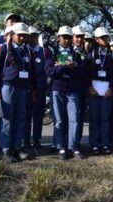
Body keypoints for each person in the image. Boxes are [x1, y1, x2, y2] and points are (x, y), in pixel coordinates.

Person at [0, 22, 35, 162]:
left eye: (24, 35)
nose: (22, 38)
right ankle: (6, 149)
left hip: (23, 88)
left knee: (21, 117)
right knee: (7, 118)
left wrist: (32, 89)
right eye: (20, 35)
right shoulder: (3, 49)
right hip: (8, 86)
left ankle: (17, 147)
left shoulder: (28, 50)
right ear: (12, 35)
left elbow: (32, 71)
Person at [45, 26, 87, 160]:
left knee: (74, 119)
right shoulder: (52, 52)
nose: (67, 40)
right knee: (59, 120)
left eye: (69, 37)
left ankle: (73, 147)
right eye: (65, 37)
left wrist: (63, 67)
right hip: (57, 89)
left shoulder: (76, 54)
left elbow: (81, 71)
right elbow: (50, 71)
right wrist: (65, 67)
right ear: (58, 38)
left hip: (73, 90)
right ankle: (61, 147)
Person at [87, 27, 113, 155]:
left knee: (105, 117)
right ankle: (94, 144)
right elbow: (85, 72)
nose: (105, 40)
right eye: (102, 38)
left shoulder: (112, 54)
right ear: (97, 39)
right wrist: (90, 87)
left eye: (107, 37)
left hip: (107, 89)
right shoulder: (90, 53)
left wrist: (111, 88)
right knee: (94, 118)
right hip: (94, 88)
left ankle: (105, 143)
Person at [23, 26, 48, 149]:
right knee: (26, 115)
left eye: (34, 35)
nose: (32, 37)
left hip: (40, 88)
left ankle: (37, 140)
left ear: (37, 37)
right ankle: (25, 140)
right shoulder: (23, 50)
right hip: (26, 89)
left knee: (38, 115)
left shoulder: (44, 51)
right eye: (30, 35)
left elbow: (47, 70)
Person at [71, 25, 88, 148]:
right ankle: (67, 142)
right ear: (73, 37)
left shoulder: (86, 52)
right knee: (70, 117)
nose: (80, 39)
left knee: (80, 115)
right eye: (77, 37)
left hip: (83, 88)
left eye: (82, 37)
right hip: (70, 87)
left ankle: (77, 141)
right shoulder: (68, 51)